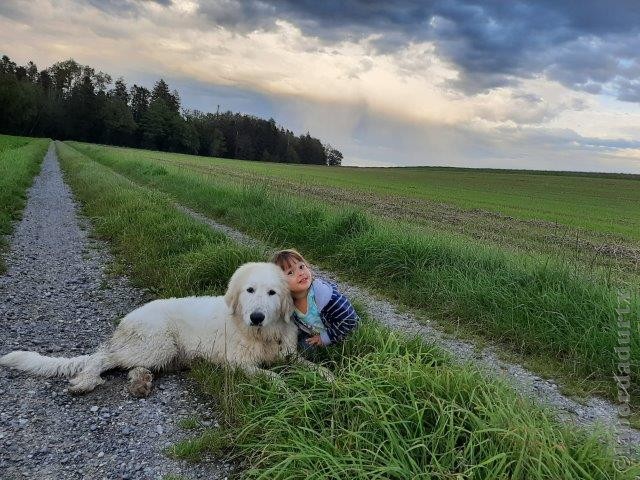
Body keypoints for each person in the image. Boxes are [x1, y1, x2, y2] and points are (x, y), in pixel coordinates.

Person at [272, 249, 359, 350]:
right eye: (290, 272)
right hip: (315, 332)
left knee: (306, 349)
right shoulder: (288, 303)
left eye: (301, 267)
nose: (300, 273)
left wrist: (326, 338)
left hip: (342, 333)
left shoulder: (326, 297)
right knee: (297, 346)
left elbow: (349, 320)